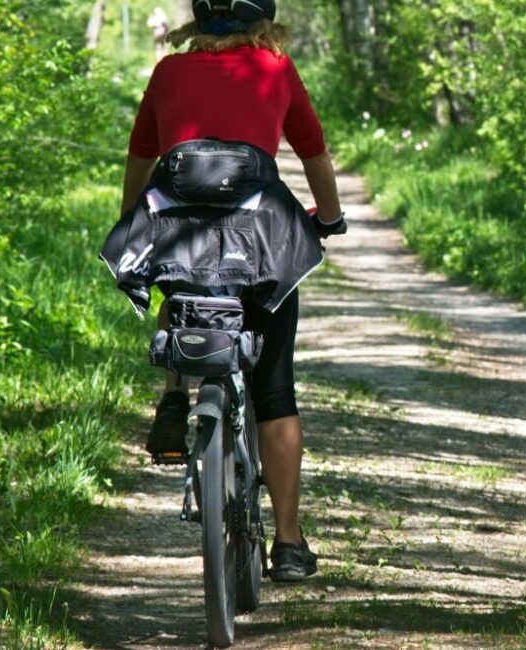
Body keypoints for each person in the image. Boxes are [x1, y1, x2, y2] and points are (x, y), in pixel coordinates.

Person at [118, 0, 346, 581]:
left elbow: (141, 157)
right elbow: (312, 152)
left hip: (180, 237)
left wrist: (131, 220)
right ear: (260, 19)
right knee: (275, 391)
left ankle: (175, 393)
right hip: (261, 243)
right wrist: (330, 219)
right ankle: (290, 544)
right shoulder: (274, 67)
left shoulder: (169, 70)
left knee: (180, 282)